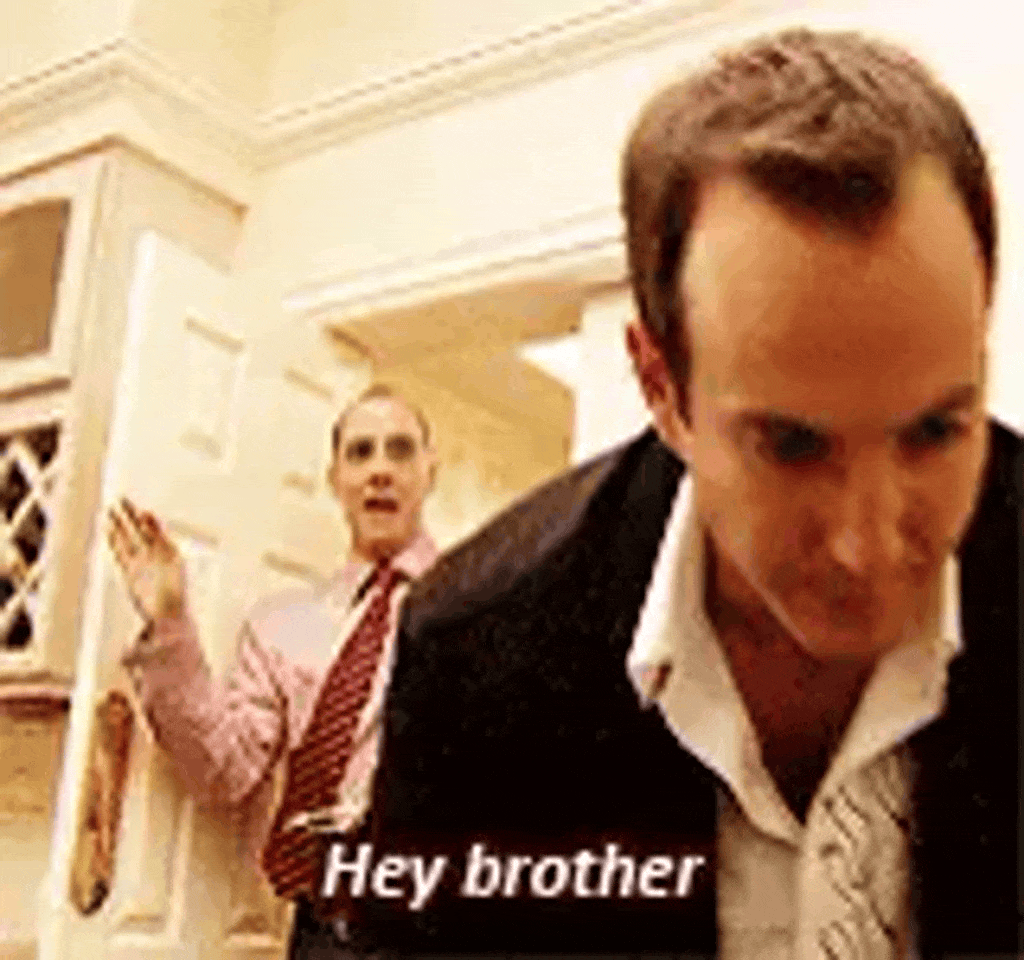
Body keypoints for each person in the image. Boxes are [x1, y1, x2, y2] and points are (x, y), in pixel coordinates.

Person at [352, 28, 1022, 959]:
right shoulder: (474, 653)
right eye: (791, 445)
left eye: (936, 430)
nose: (866, 543)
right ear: (661, 387)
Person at [106, 384, 440, 959]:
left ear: (430, 471)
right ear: (335, 478)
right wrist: (169, 622)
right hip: (319, 932)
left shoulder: (477, 605)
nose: (380, 470)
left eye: (400, 450)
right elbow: (222, 773)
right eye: (360, 452)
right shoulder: (282, 627)